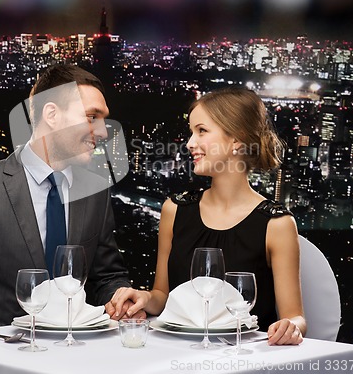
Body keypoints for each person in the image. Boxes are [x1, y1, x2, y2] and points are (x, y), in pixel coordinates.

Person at [0, 65, 143, 348]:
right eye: (92, 117)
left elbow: (107, 276)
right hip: (0, 353)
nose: (103, 131)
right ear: (51, 114)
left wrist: (122, 299)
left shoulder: (95, 191)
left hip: (79, 351)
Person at [109, 86, 307, 346]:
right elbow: (162, 295)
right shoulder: (175, 210)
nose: (190, 143)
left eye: (201, 131)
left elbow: (296, 317)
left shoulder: (277, 224)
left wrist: (291, 327)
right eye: (191, 132)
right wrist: (144, 297)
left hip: (245, 360)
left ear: (237, 139)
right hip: (175, 354)